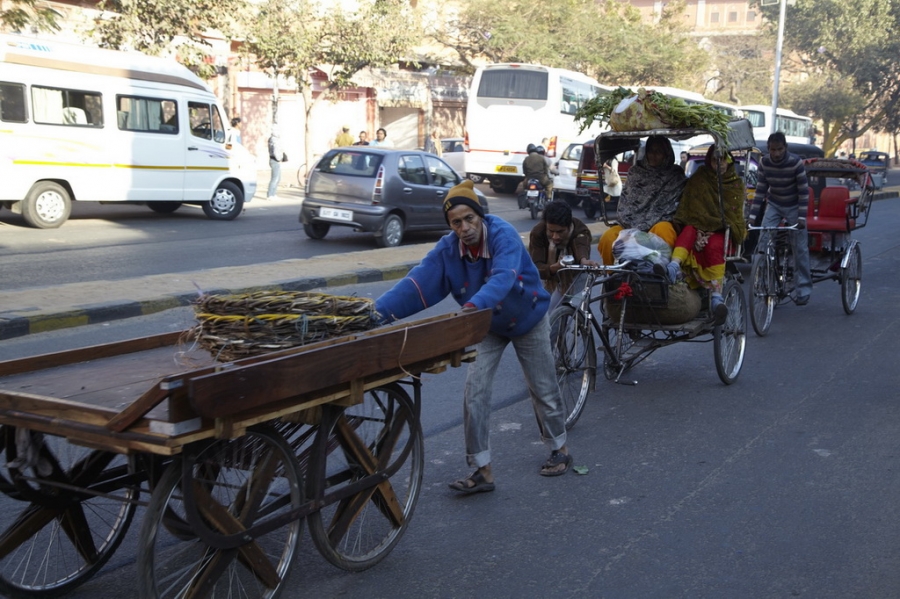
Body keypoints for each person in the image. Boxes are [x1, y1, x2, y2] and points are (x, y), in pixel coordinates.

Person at [374, 180, 573, 494]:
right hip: (487, 325)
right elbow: (417, 284)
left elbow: (503, 277)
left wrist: (470, 308)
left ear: (480, 216)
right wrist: (377, 313)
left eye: (469, 219)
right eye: (456, 222)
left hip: (527, 318)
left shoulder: (502, 234)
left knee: (543, 386)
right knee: (474, 392)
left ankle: (559, 448)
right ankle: (482, 470)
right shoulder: (448, 250)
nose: (464, 228)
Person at [666, 145, 747, 324]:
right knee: (688, 231)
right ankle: (673, 266)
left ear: (729, 160)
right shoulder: (699, 178)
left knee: (714, 245)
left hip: (723, 232)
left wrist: (709, 231)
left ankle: (716, 296)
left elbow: (734, 218)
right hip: (697, 226)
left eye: (723, 159)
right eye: (714, 160)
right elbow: (690, 211)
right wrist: (701, 231)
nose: (720, 164)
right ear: (708, 161)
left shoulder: (735, 184)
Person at [597, 135, 686, 265]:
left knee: (664, 230)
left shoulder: (675, 175)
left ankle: (660, 276)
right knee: (608, 237)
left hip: (657, 224)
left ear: (666, 154)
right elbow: (627, 204)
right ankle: (613, 276)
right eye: (650, 151)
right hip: (629, 224)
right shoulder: (635, 172)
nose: (653, 155)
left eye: (658, 152)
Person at [748, 131, 812, 305]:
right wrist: (752, 218)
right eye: (772, 150)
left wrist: (801, 219)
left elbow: (803, 192)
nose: (776, 153)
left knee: (799, 247)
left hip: (794, 204)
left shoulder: (795, 163)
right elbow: (760, 190)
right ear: (768, 149)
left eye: (779, 149)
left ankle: (803, 289)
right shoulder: (765, 162)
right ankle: (765, 285)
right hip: (774, 204)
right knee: (763, 242)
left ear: (785, 148)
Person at [528, 201, 598, 312]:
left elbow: (581, 245)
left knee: (551, 309)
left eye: (561, 232)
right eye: (551, 231)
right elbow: (536, 266)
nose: (555, 236)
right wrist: (553, 268)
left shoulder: (579, 229)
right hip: (546, 276)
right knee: (535, 306)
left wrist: (584, 260)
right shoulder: (538, 233)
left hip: (573, 275)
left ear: (569, 225)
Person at [267, 125, 284, 200]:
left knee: (278, 178)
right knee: (275, 178)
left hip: (276, 160)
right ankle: (270, 195)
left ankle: (273, 194)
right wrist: (279, 158)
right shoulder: (274, 140)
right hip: (275, 160)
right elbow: (275, 151)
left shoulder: (275, 139)